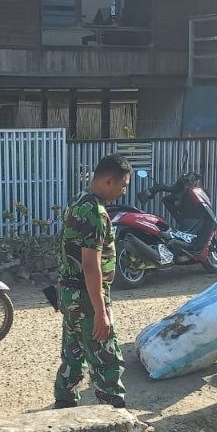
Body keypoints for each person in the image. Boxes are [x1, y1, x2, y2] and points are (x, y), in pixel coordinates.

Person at [54, 153, 132, 409]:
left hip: (70, 294)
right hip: (87, 296)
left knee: (73, 355)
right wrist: (101, 312)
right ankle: (116, 419)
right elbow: (90, 265)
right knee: (106, 360)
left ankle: (63, 412)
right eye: (123, 185)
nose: (123, 192)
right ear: (109, 181)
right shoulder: (95, 213)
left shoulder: (78, 201)